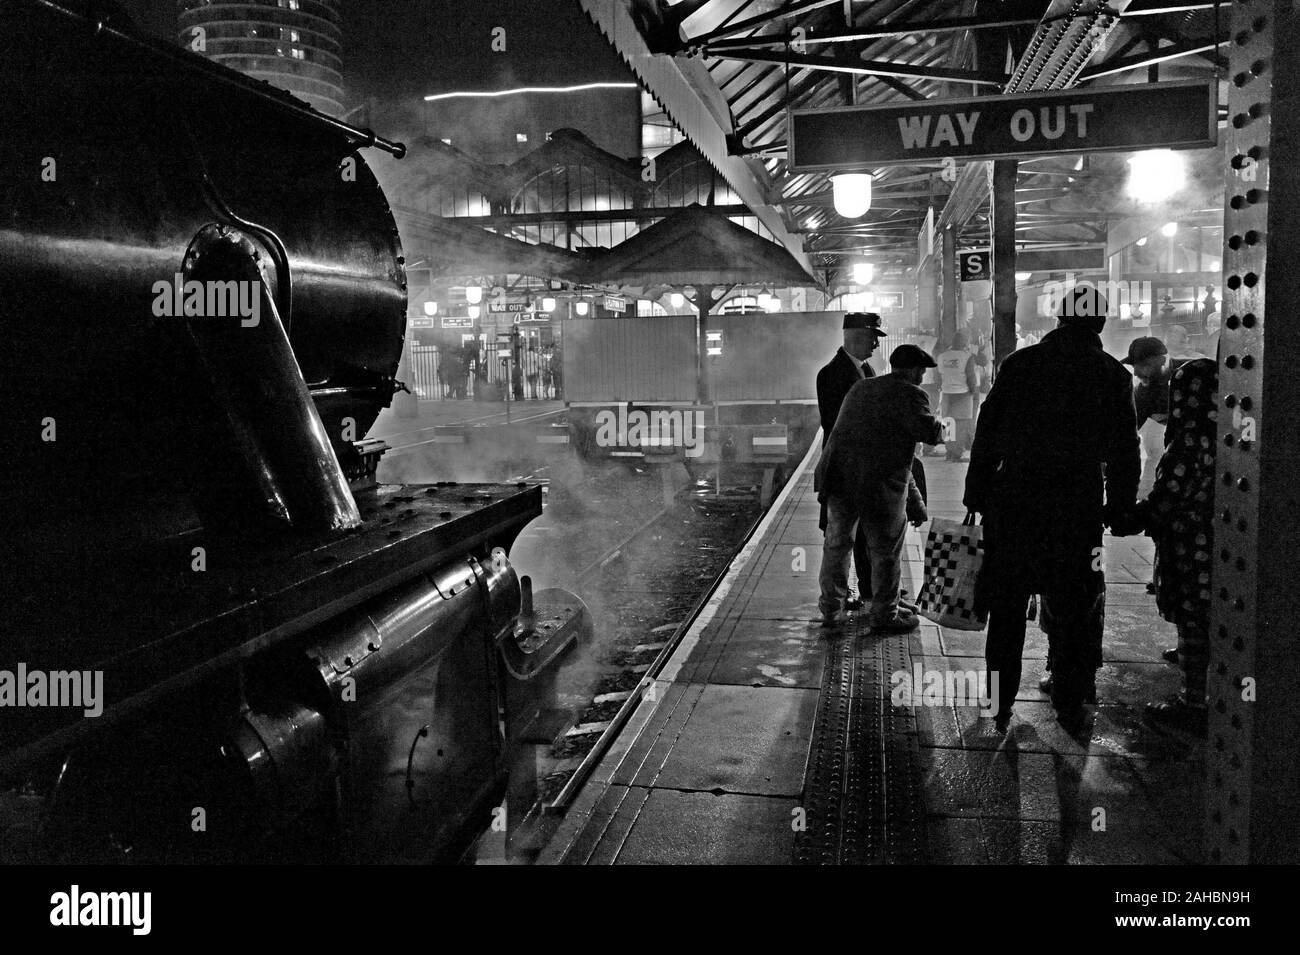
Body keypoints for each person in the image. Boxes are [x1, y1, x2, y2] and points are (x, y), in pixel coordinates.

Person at [964, 285, 1141, 733]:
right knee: (1073, 609)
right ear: (1100, 323)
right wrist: (1119, 507)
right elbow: (1125, 449)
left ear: (1059, 319)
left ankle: (1000, 705)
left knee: (1006, 611)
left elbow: (988, 429)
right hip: (1076, 506)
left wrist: (977, 492)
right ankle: (1067, 701)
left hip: (1014, 501)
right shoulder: (1110, 375)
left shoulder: (1020, 364)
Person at [816, 345, 944, 632]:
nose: (923, 376)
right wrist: (942, 425)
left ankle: (830, 610)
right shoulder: (911, 393)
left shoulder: (861, 387)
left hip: (838, 477)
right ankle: (885, 615)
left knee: (837, 545)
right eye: (922, 370)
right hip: (878, 484)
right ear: (911, 370)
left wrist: (916, 502)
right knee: (885, 549)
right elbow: (930, 432)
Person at [1140, 358, 1218, 732]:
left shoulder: (1187, 440)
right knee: (1206, 613)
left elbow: (1168, 496)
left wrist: (1137, 516)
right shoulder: (1225, 435)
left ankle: (1192, 701)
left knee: (1191, 617)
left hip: (1187, 541)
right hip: (1215, 539)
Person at [815, 313, 888, 612]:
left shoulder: (864, 368)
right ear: (856, 337)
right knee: (840, 538)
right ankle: (835, 598)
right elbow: (836, 424)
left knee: (860, 534)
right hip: (845, 469)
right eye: (872, 338)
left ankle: (866, 588)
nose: (875, 344)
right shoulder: (833, 374)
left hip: (861, 468)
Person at [936, 331, 980, 462]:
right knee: (961, 426)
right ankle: (957, 454)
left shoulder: (942, 356)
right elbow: (971, 377)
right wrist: (974, 392)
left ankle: (949, 452)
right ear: (965, 342)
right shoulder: (967, 357)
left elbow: (938, 375)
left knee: (949, 424)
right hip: (963, 394)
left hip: (947, 393)